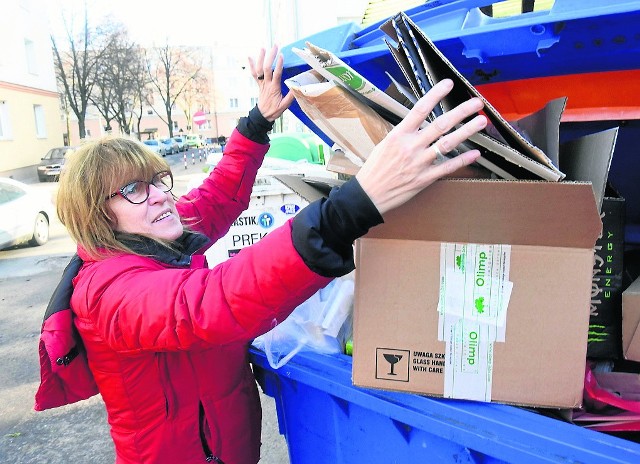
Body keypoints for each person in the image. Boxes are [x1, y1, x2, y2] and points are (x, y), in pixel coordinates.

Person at [35, 45, 487, 464]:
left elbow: (218, 193)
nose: (158, 196)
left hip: (229, 444)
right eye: (133, 189)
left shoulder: (159, 237)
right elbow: (212, 302)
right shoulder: (108, 291)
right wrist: (355, 203)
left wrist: (257, 121)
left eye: (156, 180)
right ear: (98, 215)